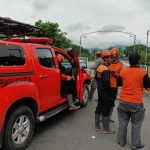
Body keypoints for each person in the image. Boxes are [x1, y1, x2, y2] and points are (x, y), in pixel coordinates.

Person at [117, 53, 150, 149]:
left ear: (129, 61)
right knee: (136, 124)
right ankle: (136, 145)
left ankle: (121, 141)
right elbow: (147, 86)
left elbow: (119, 83)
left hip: (123, 101)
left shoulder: (123, 72)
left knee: (122, 123)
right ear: (139, 61)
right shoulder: (143, 72)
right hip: (136, 103)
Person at [95, 50, 115, 134]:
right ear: (106, 58)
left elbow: (97, 78)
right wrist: (112, 94)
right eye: (111, 57)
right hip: (106, 93)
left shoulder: (100, 67)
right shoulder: (106, 69)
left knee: (99, 108)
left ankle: (97, 126)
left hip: (100, 91)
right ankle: (106, 129)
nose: (112, 59)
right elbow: (107, 83)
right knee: (106, 110)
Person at [108, 48, 124, 122]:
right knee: (104, 101)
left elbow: (121, 75)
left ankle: (110, 116)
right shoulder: (107, 63)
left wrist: (116, 75)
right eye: (112, 56)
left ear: (117, 56)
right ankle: (104, 115)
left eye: (115, 56)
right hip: (106, 85)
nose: (113, 58)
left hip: (114, 86)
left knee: (112, 102)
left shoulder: (120, 64)